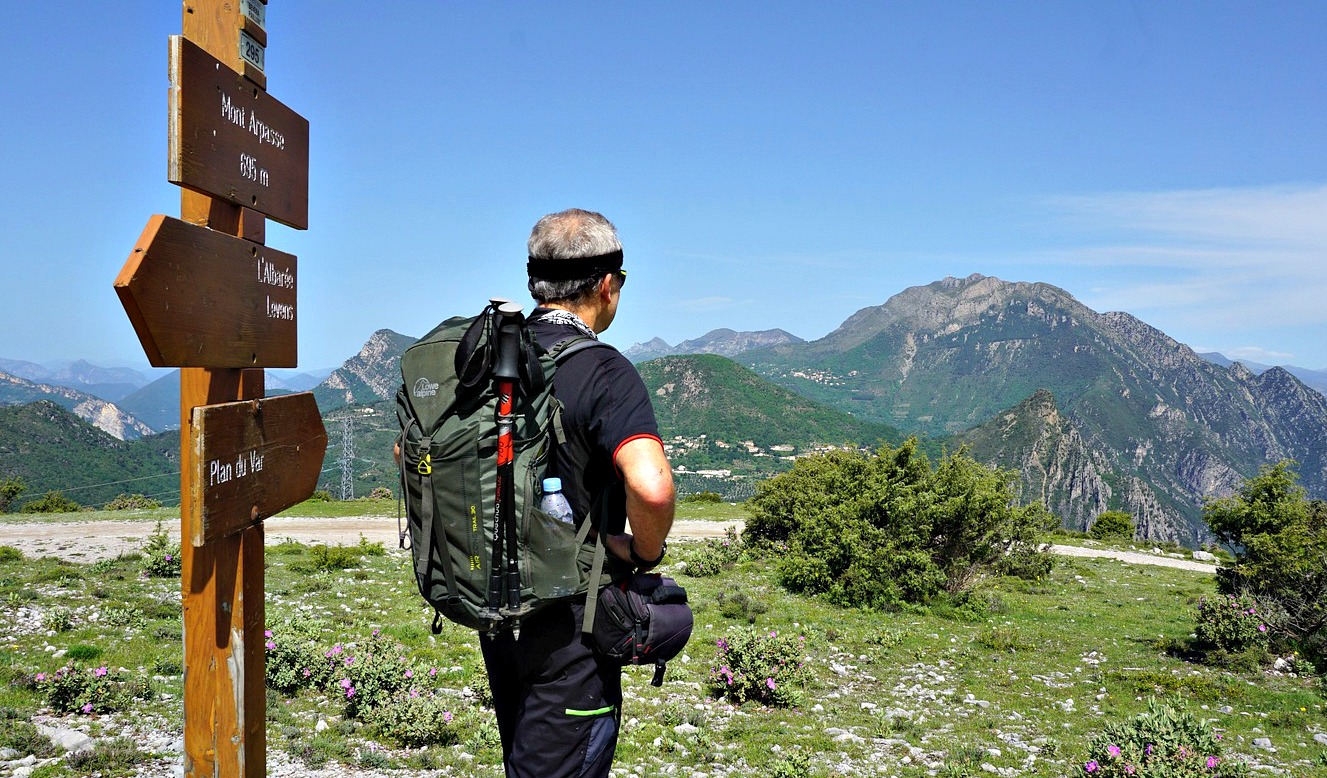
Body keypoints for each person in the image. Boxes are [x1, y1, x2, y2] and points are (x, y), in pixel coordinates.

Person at [481, 208, 675, 778]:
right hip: (572, 626)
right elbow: (651, 485)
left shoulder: (488, 356)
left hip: (491, 602)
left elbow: (407, 452)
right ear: (607, 283)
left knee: (526, 755)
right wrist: (643, 552)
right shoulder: (604, 370)